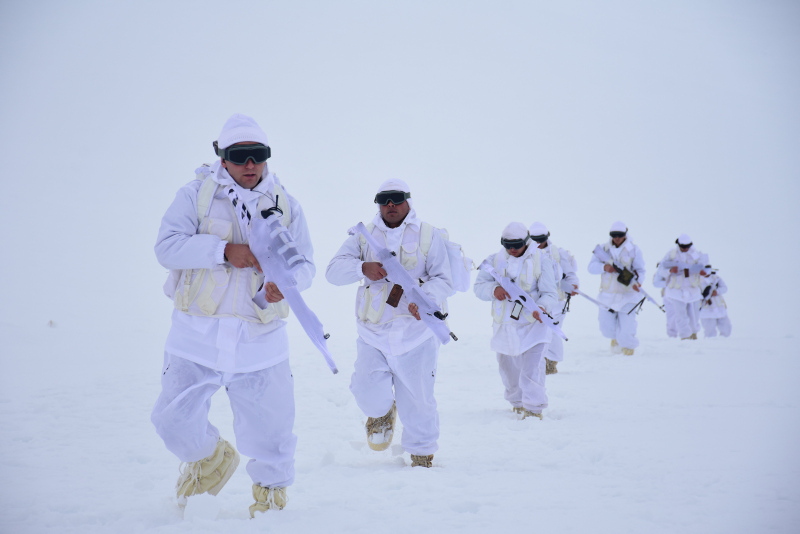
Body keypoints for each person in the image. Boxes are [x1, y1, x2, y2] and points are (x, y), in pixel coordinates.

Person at [152, 114, 315, 516]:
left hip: (261, 339)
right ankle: (210, 458)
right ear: (222, 157)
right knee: (171, 420)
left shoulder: (286, 205)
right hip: (195, 334)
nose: (250, 164)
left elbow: (305, 266)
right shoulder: (195, 195)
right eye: (240, 156)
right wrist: (222, 251)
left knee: (272, 428)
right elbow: (166, 247)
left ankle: (271, 497)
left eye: (258, 154)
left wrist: (285, 285)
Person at [325, 179, 453, 468]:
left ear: (408, 201)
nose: (390, 205)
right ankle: (381, 412)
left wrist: (426, 301)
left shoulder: (429, 234)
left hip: (417, 332)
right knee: (366, 392)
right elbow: (332, 272)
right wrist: (362, 267)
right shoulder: (363, 236)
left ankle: (422, 452)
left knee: (419, 397)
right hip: (373, 333)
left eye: (396, 199)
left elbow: (444, 279)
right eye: (384, 200)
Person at [474, 222, 558, 419]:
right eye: (507, 245)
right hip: (504, 327)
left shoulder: (542, 260)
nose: (512, 249)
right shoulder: (493, 260)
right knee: (509, 372)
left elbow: (550, 294)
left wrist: (542, 307)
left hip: (533, 327)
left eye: (517, 245)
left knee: (532, 370)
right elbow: (479, 286)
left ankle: (534, 409)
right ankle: (518, 403)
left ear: (526, 242)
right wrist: (493, 290)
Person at [587, 221, 646, 356]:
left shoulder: (634, 250)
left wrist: (638, 282)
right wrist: (604, 267)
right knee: (606, 329)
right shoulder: (603, 249)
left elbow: (640, 270)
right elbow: (591, 267)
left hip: (628, 295)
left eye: (620, 235)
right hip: (607, 296)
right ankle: (616, 340)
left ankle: (629, 351)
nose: (617, 238)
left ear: (625, 235)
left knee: (626, 331)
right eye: (614, 235)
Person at [529, 222, 579, 375]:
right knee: (536, 332)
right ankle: (536, 362)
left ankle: (551, 362)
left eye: (541, 239)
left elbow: (570, 274)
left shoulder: (558, 253)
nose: (538, 243)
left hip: (556, 302)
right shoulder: (525, 254)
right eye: (535, 239)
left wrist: (573, 286)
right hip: (534, 302)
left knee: (553, 331)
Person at [655, 234, 708, 340]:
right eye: (682, 246)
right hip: (676, 290)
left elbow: (706, 270)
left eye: (687, 246)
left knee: (694, 316)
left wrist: (704, 273)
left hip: (692, 290)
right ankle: (685, 337)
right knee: (680, 316)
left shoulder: (697, 255)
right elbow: (661, 270)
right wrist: (670, 271)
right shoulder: (671, 254)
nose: (685, 248)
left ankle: (694, 333)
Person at [699, 267, 731, 337]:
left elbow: (724, 288)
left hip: (718, 306)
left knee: (726, 328)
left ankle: (724, 341)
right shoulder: (697, 280)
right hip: (706, 308)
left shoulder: (716, 278)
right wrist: (701, 298)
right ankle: (710, 342)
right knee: (709, 331)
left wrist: (717, 291)